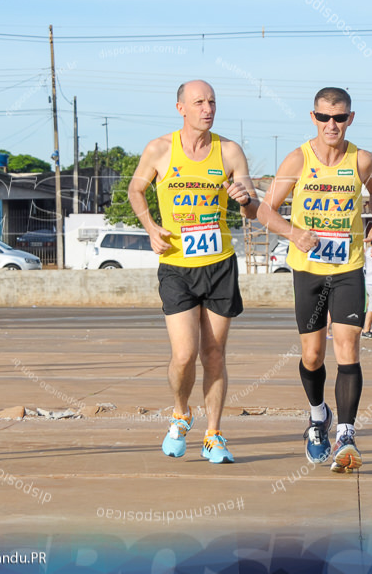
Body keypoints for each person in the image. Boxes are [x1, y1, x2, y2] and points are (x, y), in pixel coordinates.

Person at [258, 86, 372, 473]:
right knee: (312, 355)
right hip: (309, 270)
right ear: (313, 117)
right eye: (323, 117)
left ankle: (346, 434)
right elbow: (266, 211)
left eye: (340, 117)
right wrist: (293, 233)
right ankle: (319, 418)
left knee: (348, 348)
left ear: (350, 119)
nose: (332, 125)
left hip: (348, 267)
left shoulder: (362, 160)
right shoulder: (298, 159)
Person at [128, 79, 257, 465]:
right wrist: (151, 227)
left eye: (212, 101)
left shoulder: (229, 151)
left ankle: (214, 433)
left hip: (219, 263)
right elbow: (136, 190)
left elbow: (250, 205)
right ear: (180, 107)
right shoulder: (159, 149)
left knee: (214, 354)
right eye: (199, 102)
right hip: (177, 265)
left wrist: (245, 198)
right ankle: (181, 412)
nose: (207, 108)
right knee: (184, 355)